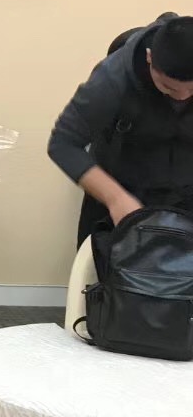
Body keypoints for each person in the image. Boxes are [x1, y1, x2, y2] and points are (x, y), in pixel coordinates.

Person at [48, 13, 193, 247]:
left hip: (186, 196)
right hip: (122, 192)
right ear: (149, 58)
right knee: (109, 267)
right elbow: (63, 143)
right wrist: (116, 199)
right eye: (169, 87)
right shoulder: (113, 78)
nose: (183, 98)